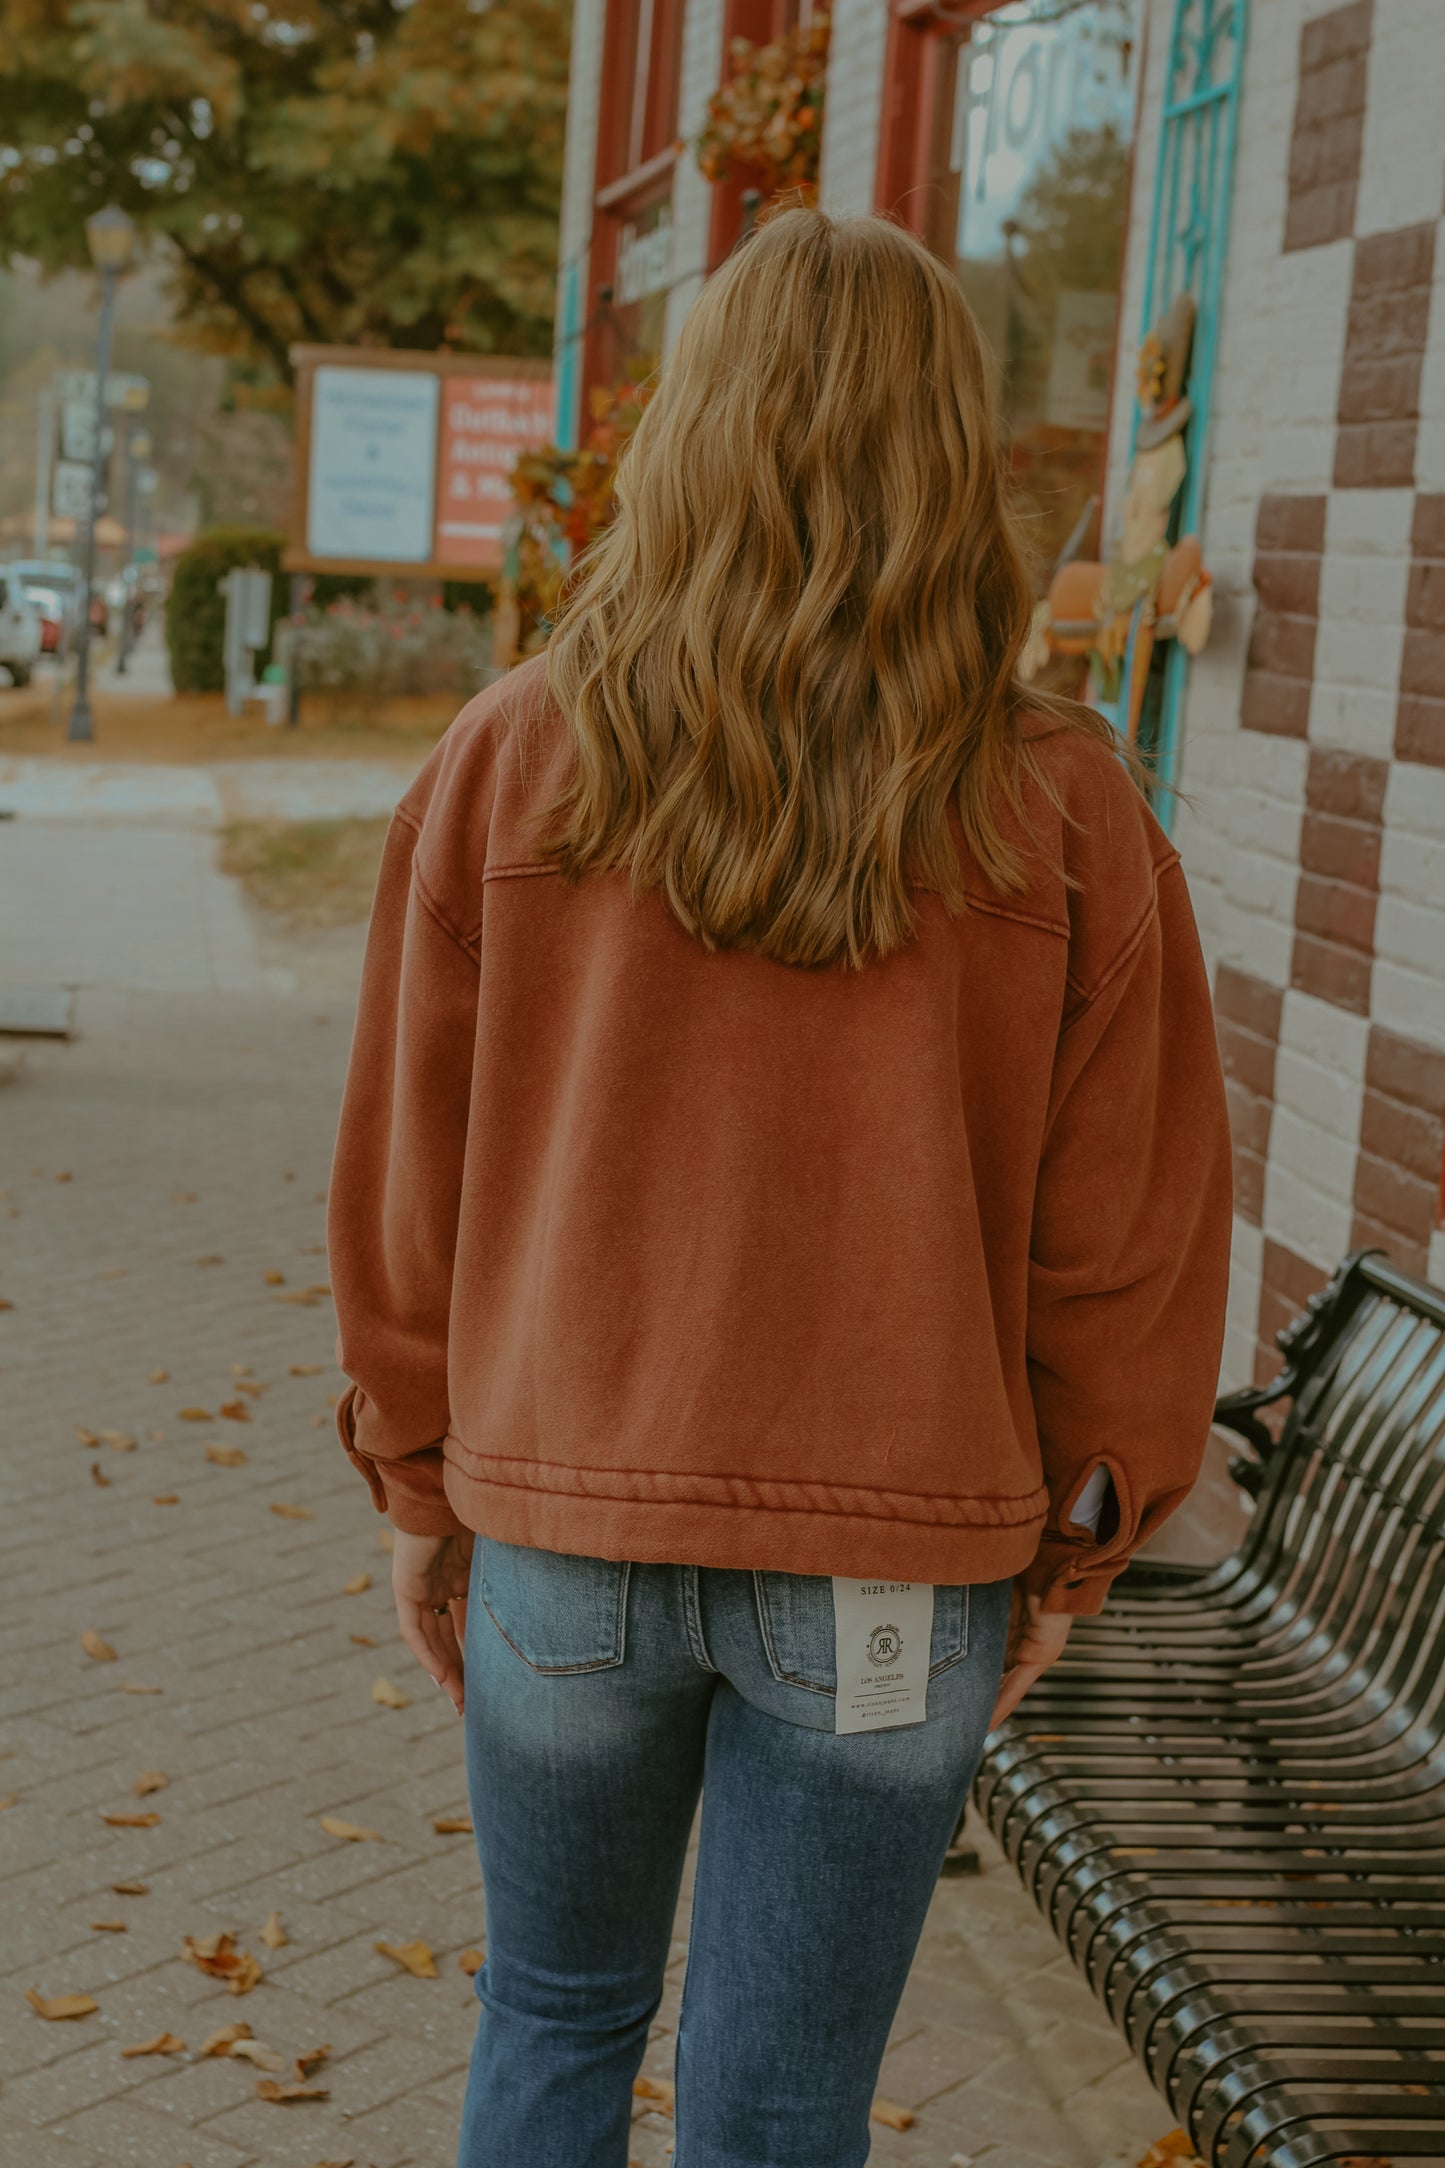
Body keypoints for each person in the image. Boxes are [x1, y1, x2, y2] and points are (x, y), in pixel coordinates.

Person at [328, 208, 1233, 2168]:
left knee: (553, 2023)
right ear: (952, 451)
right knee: (782, 2105)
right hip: (900, 1565)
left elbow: (411, 1188)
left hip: (565, 1524)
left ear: (685, 436)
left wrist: (416, 1485)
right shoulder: (1068, 803)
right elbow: (1126, 1249)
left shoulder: (511, 760)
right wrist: (1077, 1536)